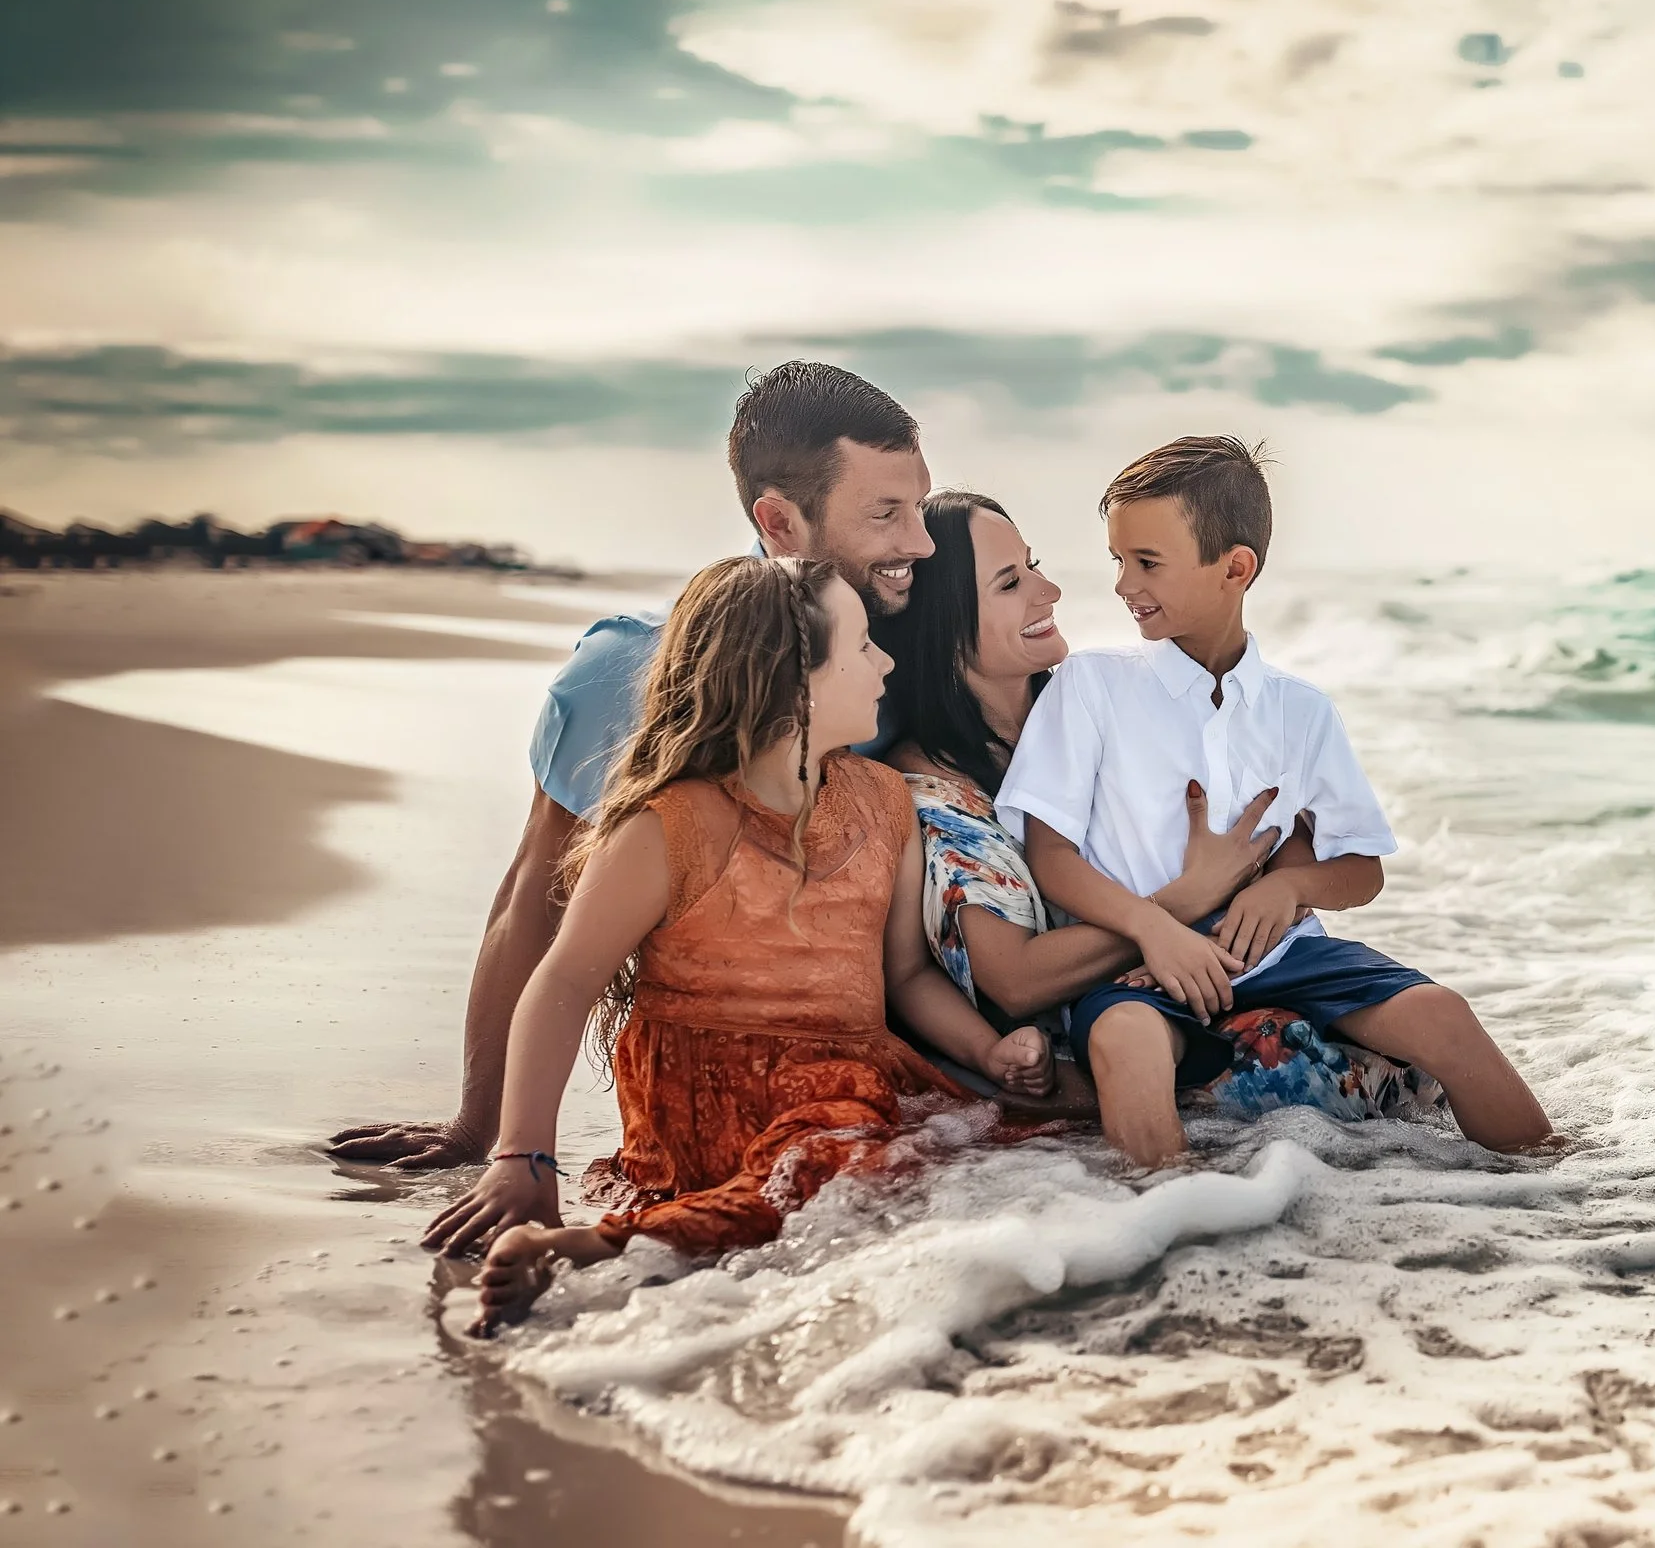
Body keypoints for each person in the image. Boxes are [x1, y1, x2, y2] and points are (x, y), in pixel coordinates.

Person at [329, 364, 935, 1210]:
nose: (921, 543)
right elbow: (537, 899)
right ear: (779, 520)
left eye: (918, 506)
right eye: (886, 514)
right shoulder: (627, 671)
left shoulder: (903, 641)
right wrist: (489, 1136)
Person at [428, 556, 1043, 1332]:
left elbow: (907, 973)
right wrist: (522, 1155)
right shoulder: (669, 826)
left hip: (842, 1078)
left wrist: (988, 1056)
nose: (885, 660)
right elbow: (562, 984)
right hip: (701, 1094)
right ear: (794, 688)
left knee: (983, 1154)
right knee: (837, 1171)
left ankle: (657, 1242)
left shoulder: (884, 804)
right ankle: (593, 1247)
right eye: (860, 647)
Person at [994, 437, 1553, 1167]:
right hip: (1140, 965)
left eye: (1148, 562)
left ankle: (1563, 1196)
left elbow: (1362, 870)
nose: (1124, 584)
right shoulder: (1091, 687)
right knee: (1124, 1042)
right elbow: (1051, 857)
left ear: (1235, 568)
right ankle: (1173, 1225)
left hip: (1282, 957)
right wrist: (1152, 928)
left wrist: (1290, 886)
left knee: (1442, 1015)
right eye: (1118, 561)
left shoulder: (1300, 711)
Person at [878, 491, 1447, 1124]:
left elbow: (1278, 847)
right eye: (1012, 582)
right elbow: (1012, 979)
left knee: (1421, 1073)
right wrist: (1187, 899)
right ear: (944, 623)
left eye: (1034, 565)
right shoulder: (930, 787)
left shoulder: (1109, 701)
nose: (1051, 590)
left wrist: (1283, 883)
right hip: (1090, 1054)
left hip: (1219, 985)